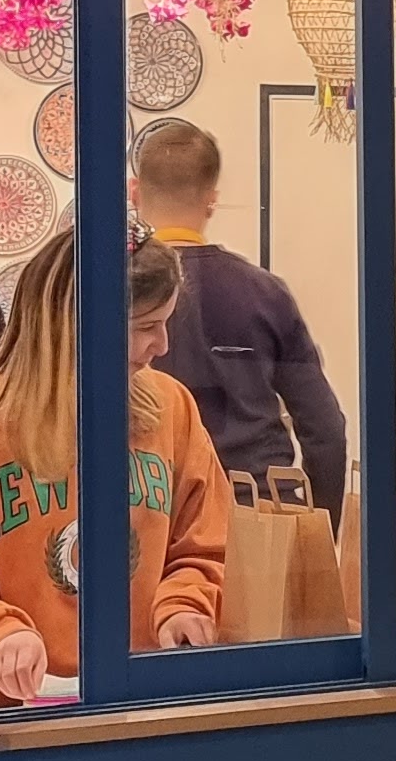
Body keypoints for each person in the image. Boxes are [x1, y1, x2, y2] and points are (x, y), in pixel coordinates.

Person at [0, 229, 225, 706]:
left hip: (144, 698)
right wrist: (0, 631)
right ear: (76, 324)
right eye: (146, 326)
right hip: (11, 714)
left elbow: (206, 545)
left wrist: (183, 606)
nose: (163, 345)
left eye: (166, 323)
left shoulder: (172, 407)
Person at [128, 119, 349, 523]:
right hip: (257, 508)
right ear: (212, 200)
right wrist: (321, 529)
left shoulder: (105, 295)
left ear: (133, 192)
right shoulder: (265, 293)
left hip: (151, 511)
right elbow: (325, 429)